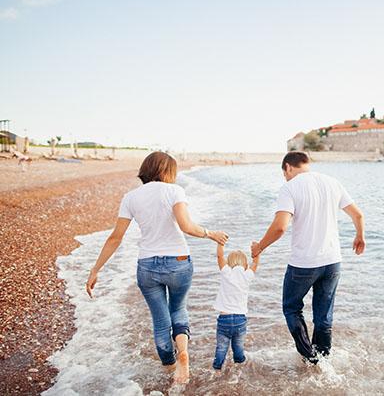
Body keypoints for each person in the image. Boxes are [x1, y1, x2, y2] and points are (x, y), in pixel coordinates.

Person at [85, 151, 229, 383]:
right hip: (179, 262)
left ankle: (171, 368)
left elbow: (115, 237)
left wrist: (95, 269)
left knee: (160, 321)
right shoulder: (174, 191)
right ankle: (183, 352)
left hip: (148, 266)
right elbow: (186, 226)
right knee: (178, 309)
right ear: (165, 171)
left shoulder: (130, 197)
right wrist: (211, 234)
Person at [251, 151, 365, 363]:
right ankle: (323, 360)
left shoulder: (290, 187)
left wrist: (259, 247)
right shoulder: (332, 182)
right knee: (324, 315)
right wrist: (360, 236)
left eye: (284, 173)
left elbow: (280, 227)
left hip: (304, 264)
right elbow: (358, 214)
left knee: (292, 308)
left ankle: (309, 356)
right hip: (332, 262)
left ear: (288, 167)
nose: (285, 177)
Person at [212, 245, 259, 370]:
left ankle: (217, 368)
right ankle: (239, 366)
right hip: (240, 319)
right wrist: (257, 252)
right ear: (245, 264)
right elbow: (255, 263)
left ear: (229, 262)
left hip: (224, 319)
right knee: (238, 347)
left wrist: (220, 243)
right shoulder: (247, 275)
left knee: (221, 347)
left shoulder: (226, 272)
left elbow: (219, 256)